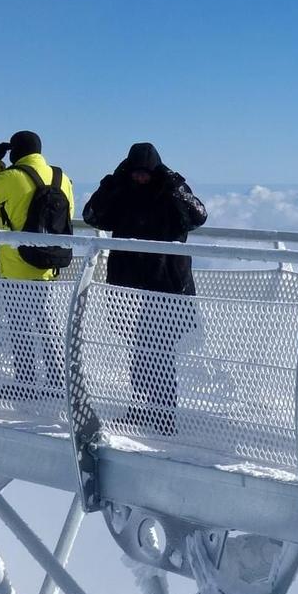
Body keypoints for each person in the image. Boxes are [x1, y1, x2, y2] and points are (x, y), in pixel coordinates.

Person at [82, 142, 208, 434]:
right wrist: (110, 184)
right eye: (135, 172)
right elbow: (92, 216)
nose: (140, 178)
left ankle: (164, 414)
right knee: (140, 350)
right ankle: (141, 409)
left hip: (167, 285)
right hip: (132, 285)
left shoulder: (170, 191)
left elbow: (199, 216)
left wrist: (175, 186)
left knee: (161, 350)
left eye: (145, 173)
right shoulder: (122, 191)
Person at [0, 131, 77, 402]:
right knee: (43, 321)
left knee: (19, 325)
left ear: (16, 152)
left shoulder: (14, 177)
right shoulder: (61, 178)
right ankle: (56, 379)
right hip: (47, 263)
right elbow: (69, 214)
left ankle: (26, 381)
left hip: (17, 264)